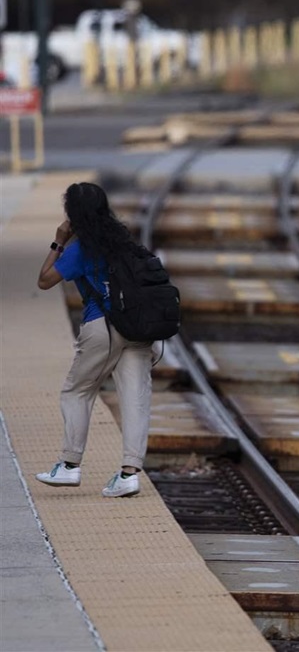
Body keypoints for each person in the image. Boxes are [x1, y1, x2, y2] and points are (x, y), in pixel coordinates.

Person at [34, 182, 155, 498]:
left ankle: (69, 467)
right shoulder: (124, 242)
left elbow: (44, 281)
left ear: (72, 214)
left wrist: (58, 242)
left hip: (103, 328)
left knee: (78, 391)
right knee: (135, 397)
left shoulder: (80, 248)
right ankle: (129, 474)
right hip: (140, 328)